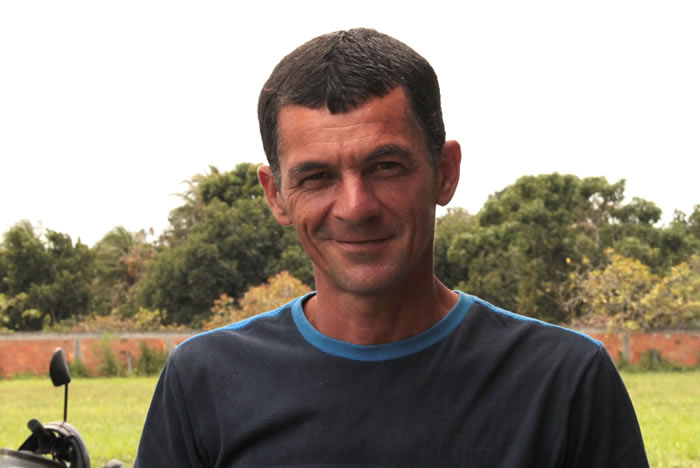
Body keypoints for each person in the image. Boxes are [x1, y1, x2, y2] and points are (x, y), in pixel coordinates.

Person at [135, 28, 648, 467]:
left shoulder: (564, 382)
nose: (355, 207)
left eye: (386, 167)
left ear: (445, 172)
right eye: (316, 177)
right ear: (276, 195)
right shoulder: (205, 381)